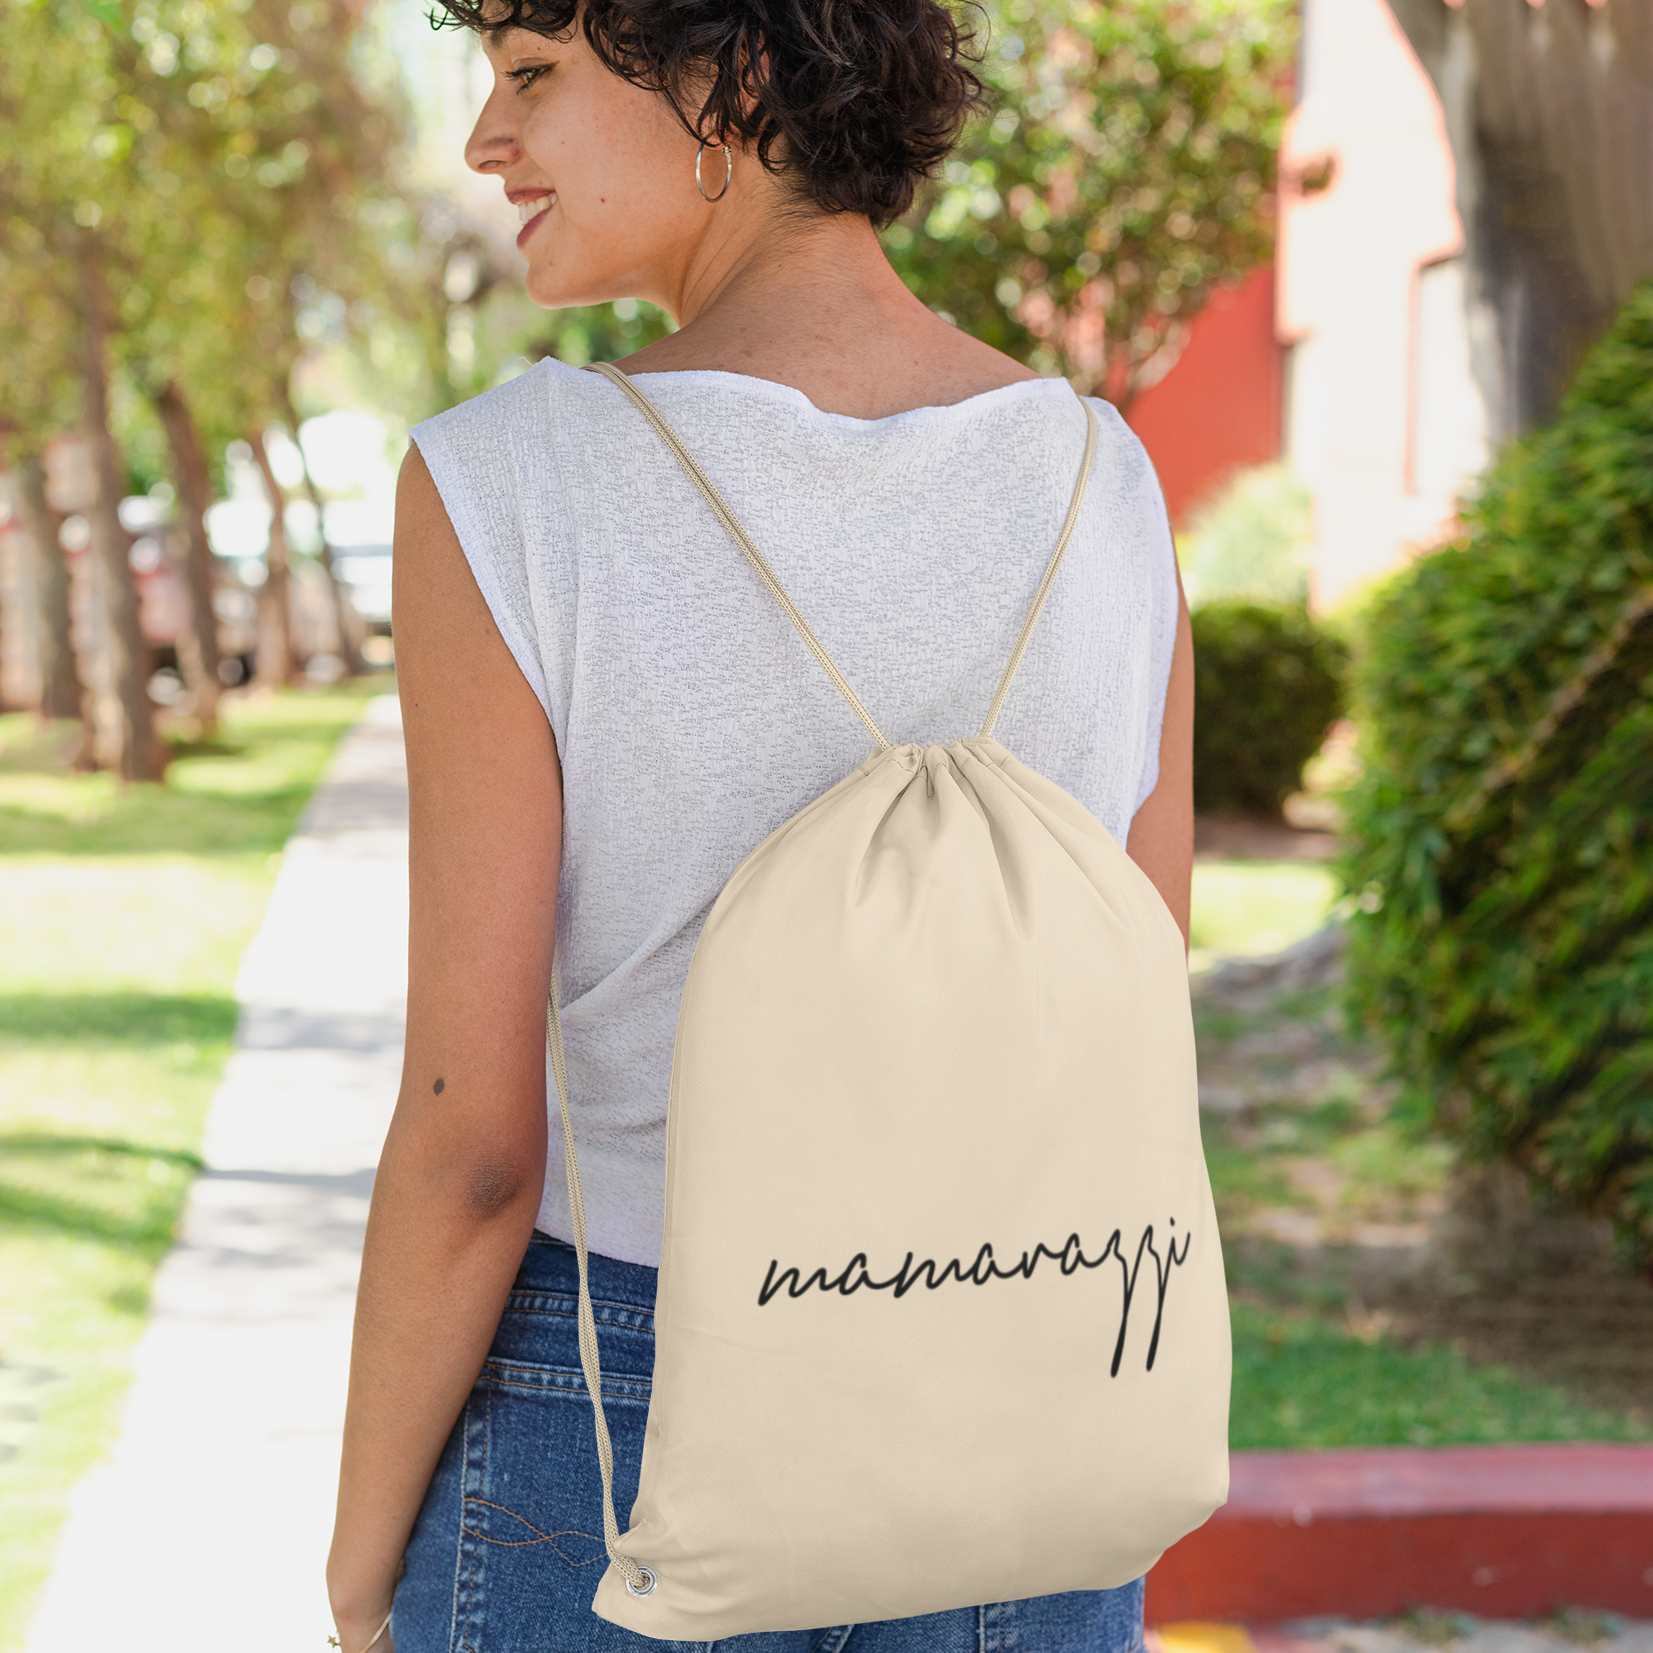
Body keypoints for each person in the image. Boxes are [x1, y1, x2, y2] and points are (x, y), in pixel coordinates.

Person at [326, 0, 1194, 1646]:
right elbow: (1138, 1030)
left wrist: (360, 1571)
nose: (486, 141)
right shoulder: (1107, 483)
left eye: (532, 75)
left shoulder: (510, 484)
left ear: (730, 76)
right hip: (1028, 1396)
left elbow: (473, 1150)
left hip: (614, 1414)